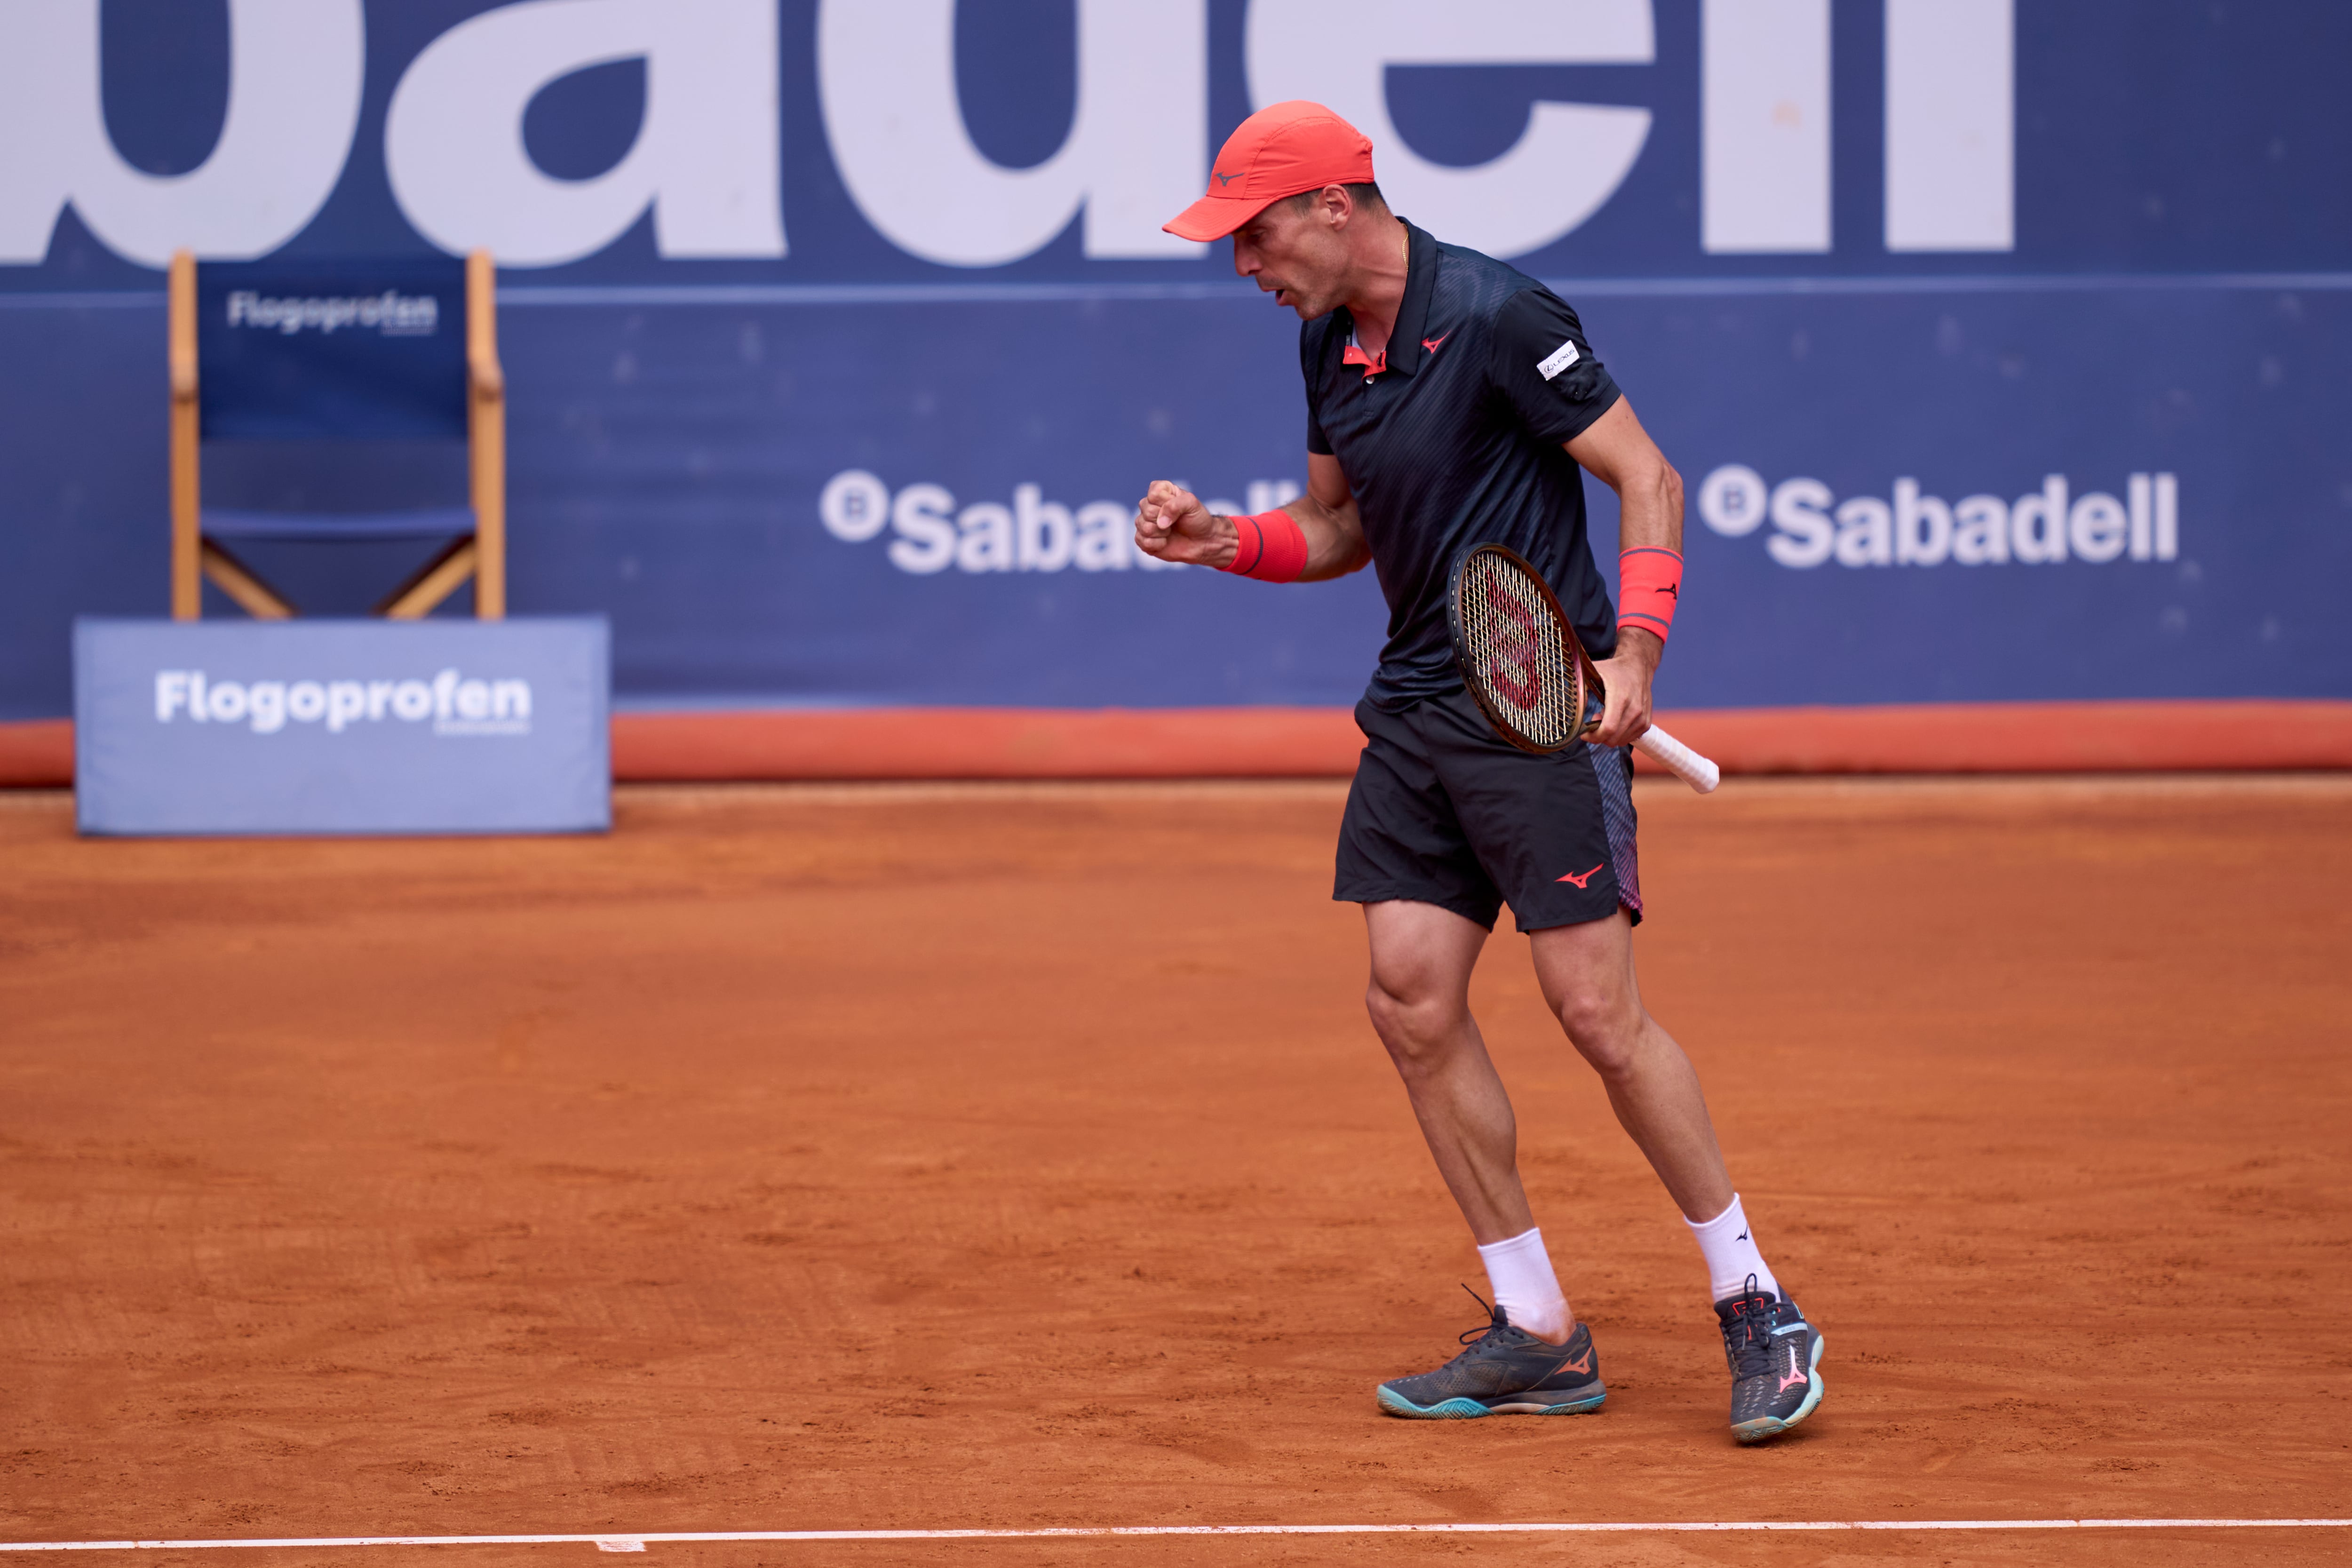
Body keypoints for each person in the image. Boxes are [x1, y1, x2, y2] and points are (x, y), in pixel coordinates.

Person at [1134, 101, 1823, 1443]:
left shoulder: (1504, 315)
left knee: (1595, 1015)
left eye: (1256, 234)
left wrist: (1638, 656)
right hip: (1417, 710)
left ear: (1337, 204)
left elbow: (1650, 477)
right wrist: (1228, 542)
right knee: (1409, 1000)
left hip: (1537, 715)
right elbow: (1338, 525)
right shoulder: (1325, 343)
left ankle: (1756, 1301)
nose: (1244, 267)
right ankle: (1540, 1331)